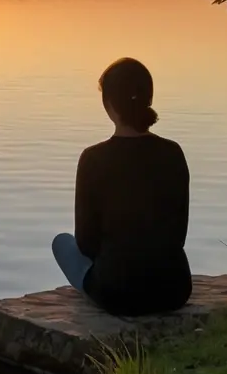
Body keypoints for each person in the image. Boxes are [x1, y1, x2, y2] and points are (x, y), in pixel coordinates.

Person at [52, 57, 192, 316]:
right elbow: (178, 236)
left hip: (117, 293)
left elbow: (85, 242)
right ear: (148, 98)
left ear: (110, 105)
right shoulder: (173, 153)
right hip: (174, 290)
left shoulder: (93, 159)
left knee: (61, 243)